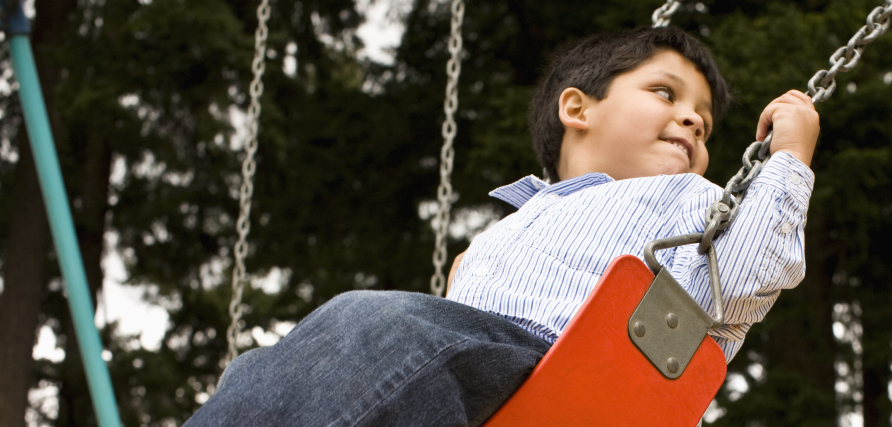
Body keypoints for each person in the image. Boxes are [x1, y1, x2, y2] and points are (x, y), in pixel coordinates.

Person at [186, 26, 818, 427]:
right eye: (666, 93)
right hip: (471, 391)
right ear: (577, 108)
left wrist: (788, 160)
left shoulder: (689, 198)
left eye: (704, 121)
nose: (692, 121)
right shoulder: (506, 229)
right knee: (261, 369)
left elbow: (751, 272)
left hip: (578, 372)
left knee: (374, 328)